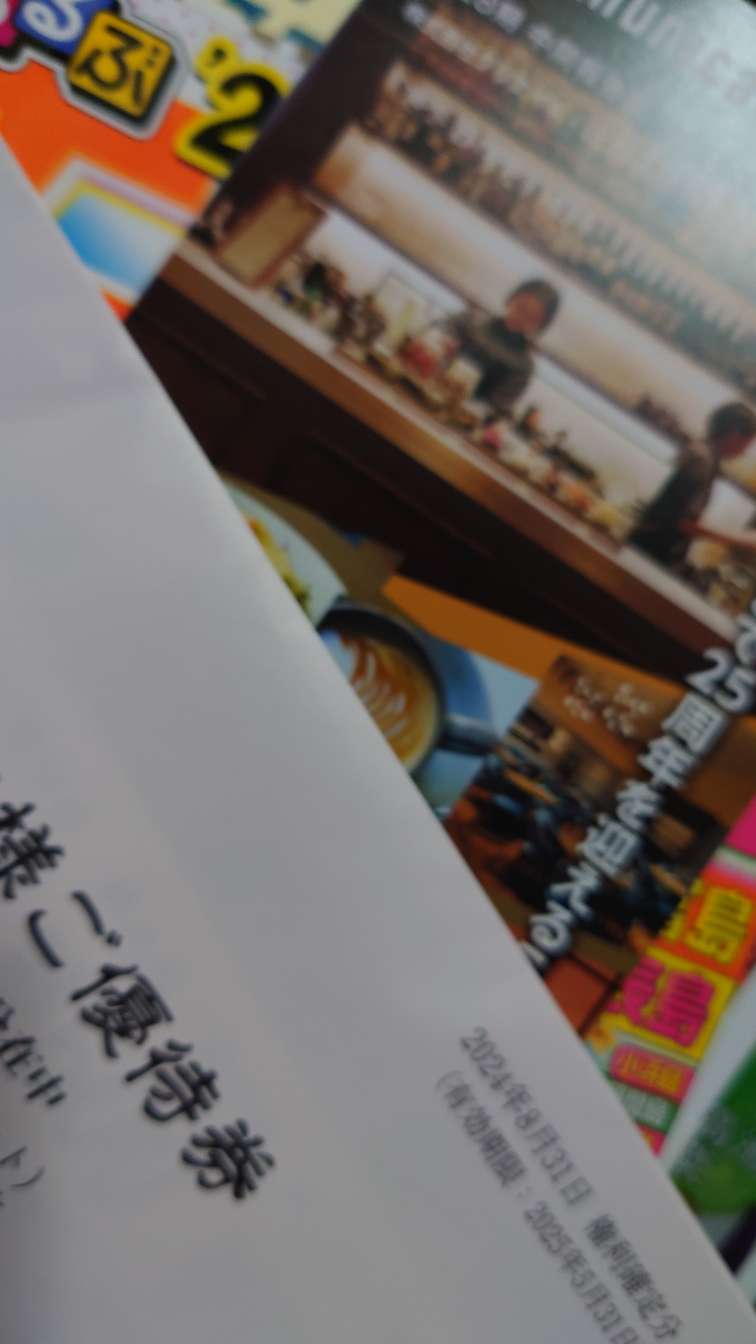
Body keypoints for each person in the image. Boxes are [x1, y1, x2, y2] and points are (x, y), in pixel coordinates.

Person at [629, 402, 756, 570]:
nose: (743, 452)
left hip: (648, 547)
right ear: (734, 436)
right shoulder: (702, 461)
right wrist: (739, 540)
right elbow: (682, 521)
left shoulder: (704, 455)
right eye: (746, 444)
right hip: (649, 552)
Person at [451, 279, 560, 420]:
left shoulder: (523, 366)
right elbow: (437, 340)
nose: (521, 318)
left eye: (531, 318)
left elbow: (494, 409)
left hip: (463, 418)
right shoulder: (471, 321)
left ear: (541, 325)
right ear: (511, 299)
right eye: (521, 307)